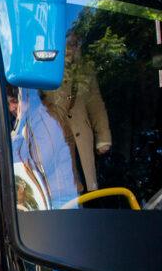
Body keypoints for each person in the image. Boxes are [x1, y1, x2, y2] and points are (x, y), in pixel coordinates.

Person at [41, 36, 112, 192]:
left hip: (81, 138)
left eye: (73, 44)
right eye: (65, 43)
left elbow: (96, 105)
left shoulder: (86, 71)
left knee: (82, 183)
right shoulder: (45, 68)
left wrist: (103, 137)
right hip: (54, 137)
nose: (69, 48)